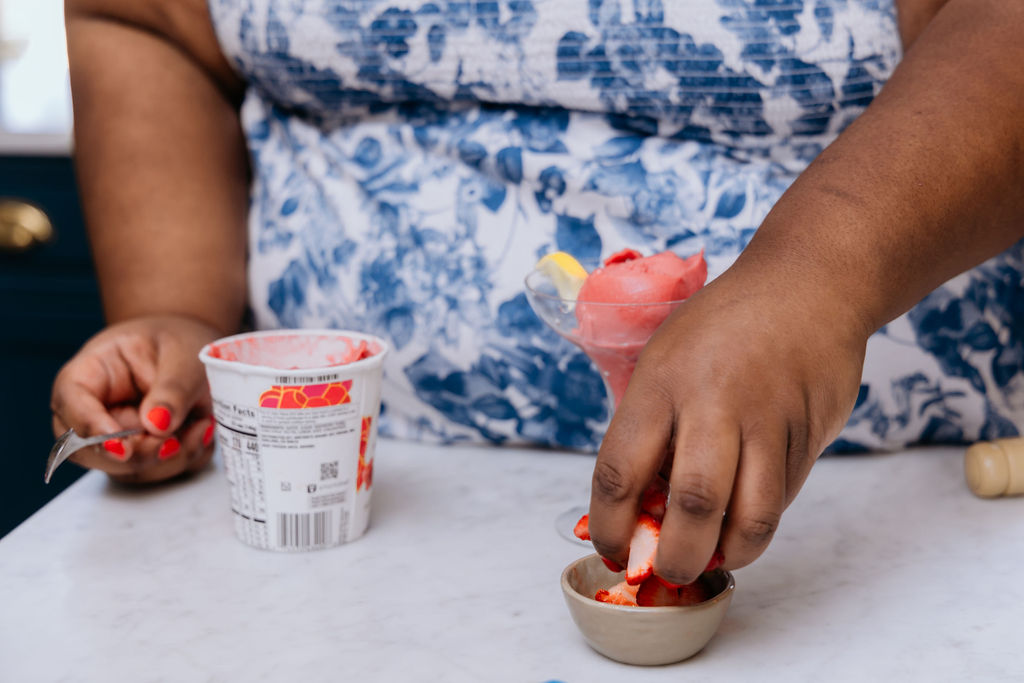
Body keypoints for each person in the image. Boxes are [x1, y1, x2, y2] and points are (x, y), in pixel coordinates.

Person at [53, 0, 1024, 586]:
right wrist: (182, 308)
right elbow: (143, 19)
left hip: (908, 521)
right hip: (337, 539)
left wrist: (818, 274)